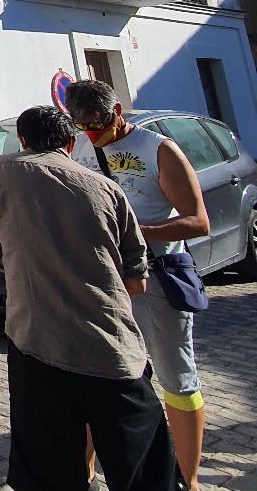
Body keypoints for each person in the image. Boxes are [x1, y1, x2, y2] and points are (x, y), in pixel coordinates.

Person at [0, 106, 177, 491]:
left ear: (22, 140)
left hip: (37, 343)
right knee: (143, 470)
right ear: (71, 142)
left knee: (47, 469)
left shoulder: (2, 171)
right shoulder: (107, 188)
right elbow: (137, 277)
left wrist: (31, 266)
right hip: (111, 350)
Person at [66, 80, 210, 491]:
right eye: (84, 129)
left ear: (117, 113)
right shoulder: (78, 147)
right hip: (103, 282)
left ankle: (189, 479)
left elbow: (198, 220)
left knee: (176, 378)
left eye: (99, 127)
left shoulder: (158, 149)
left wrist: (135, 231)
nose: (94, 136)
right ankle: (85, 473)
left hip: (157, 278)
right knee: (96, 378)